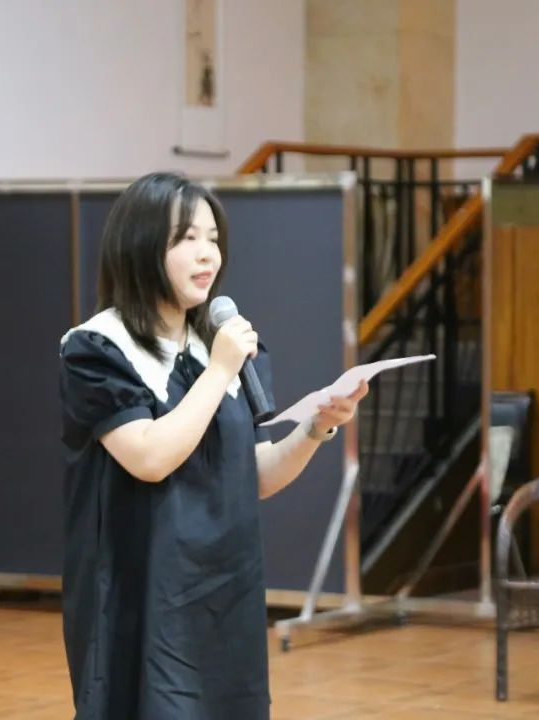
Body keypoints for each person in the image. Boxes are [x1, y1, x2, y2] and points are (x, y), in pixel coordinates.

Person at [58, 171, 368, 719]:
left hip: (225, 593)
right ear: (141, 246)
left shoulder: (221, 347)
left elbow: (256, 474)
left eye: (213, 238)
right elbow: (150, 458)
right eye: (187, 239)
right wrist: (219, 368)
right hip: (140, 597)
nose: (208, 254)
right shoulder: (98, 349)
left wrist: (316, 428)